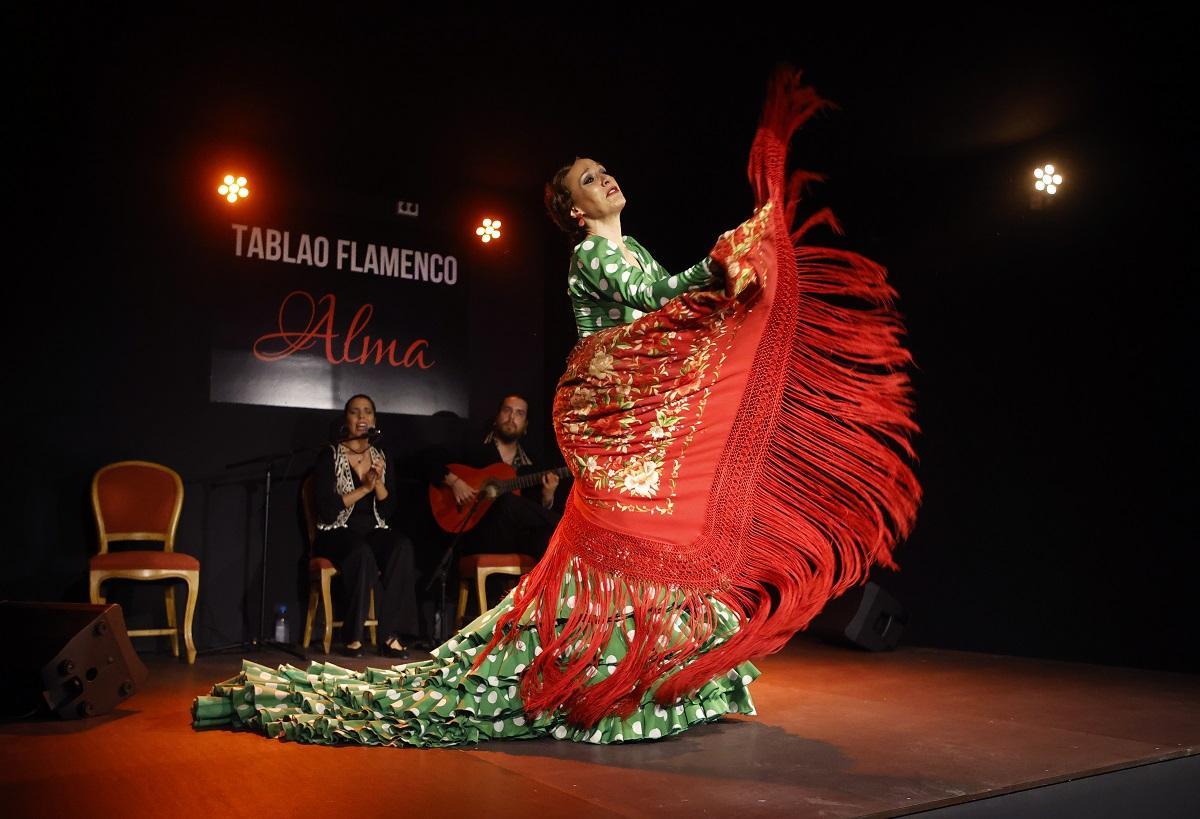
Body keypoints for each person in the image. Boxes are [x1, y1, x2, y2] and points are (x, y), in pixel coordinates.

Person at [193, 68, 921, 746]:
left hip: (633, 408)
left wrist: (733, 278)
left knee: (655, 541)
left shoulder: (629, 246)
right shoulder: (590, 257)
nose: (605, 179)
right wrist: (724, 258)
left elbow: (672, 313)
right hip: (606, 411)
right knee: (627, 539)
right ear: (575, 210)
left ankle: (653, 677)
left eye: (604, 170)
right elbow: (664, 303)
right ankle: (600, 679)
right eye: (588, 180)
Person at [310, 394, 419, 658]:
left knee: (401, 546)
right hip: (335, 531)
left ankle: (389, 635)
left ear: (374, 419)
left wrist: (378, 483)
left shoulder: (381, 456)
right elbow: (326, 509)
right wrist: (364, 489)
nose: (362, 418)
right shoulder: (330, 454)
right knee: (360, 552)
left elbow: (388, 509)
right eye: (355, 412)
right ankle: (353, 636)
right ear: (346, 419)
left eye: (367, 412)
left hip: (372, 530)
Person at [431, 394, 562, 563]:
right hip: (474, 531)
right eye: (507, 410)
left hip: (514, 539)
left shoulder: (533, 465)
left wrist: (547, 497)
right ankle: (567, 526)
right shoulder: (473, 448)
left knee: (544, 537)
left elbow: (530, 514)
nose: (512, 417)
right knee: (507, 501)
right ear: (497, 417)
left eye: (519, 413)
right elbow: (430, 457)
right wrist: (454, 482)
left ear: (526, 425)